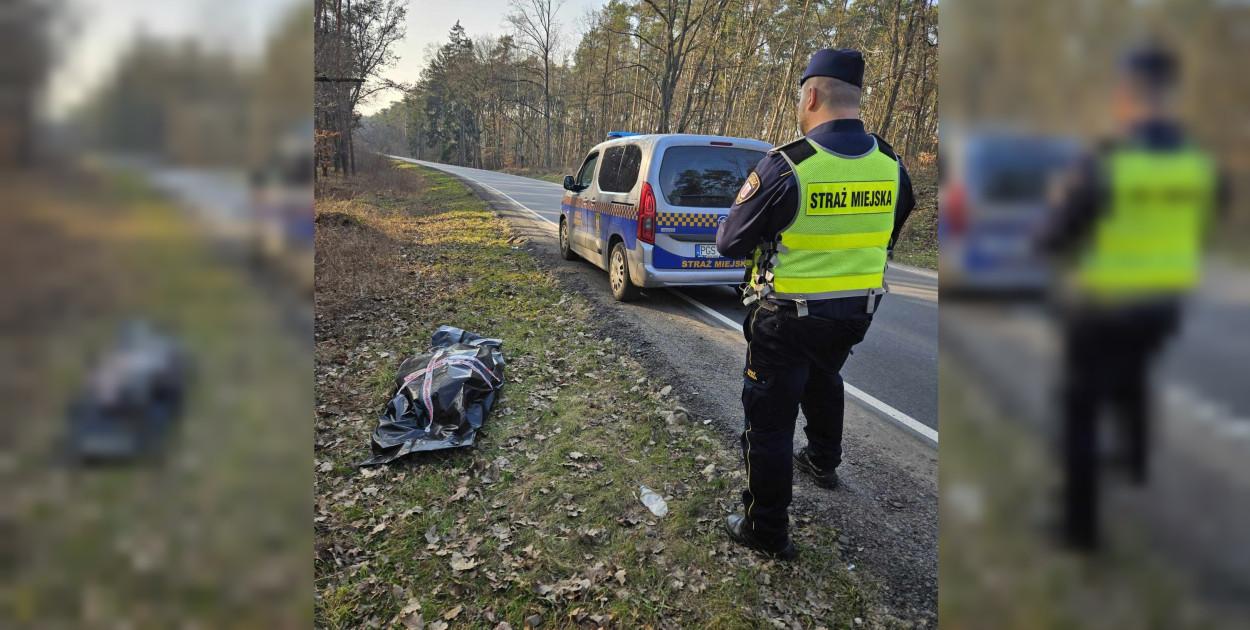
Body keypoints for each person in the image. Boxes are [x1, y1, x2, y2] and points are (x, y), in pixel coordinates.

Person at [716, 48, 917, 559]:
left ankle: (766, 529)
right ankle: (824, 461)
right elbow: (892, 224)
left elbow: (730, 242)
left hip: (788, 317)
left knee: (770, 423)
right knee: (825, 375)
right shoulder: (891, 163)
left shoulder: (790, 165)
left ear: (811, 95)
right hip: (855, 312)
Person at [1040, 41, 1226, 551]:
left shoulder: (1110, 161)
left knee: (1081, 406)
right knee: (1136, 374)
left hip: (1105, 306)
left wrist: (1060, 201)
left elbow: (1055, 238)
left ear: (1128, 93)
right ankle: (1134, 460)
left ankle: (1080, 529)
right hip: (1163, 302)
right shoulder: (1198, 161)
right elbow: (1210, 216)